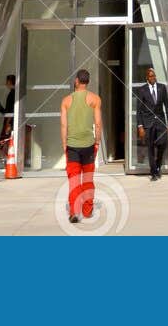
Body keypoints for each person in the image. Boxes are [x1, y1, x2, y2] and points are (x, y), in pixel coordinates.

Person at [60, 69, 102, 223]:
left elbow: (64, 125)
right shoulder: (95, 99)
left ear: (76, 81)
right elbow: (98, 124)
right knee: (88, 180)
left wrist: (64, 144)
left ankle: (74, 212)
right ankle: (88, 210)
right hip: (89, 146)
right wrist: (97, 142)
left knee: (74, 181)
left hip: (72, 146)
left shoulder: (66, 101)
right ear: (88, 82)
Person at [135, 65, 168, 181]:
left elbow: (167, 106)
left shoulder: (162, 88)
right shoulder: (142, 90)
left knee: (162, 144)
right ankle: (154, 172)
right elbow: (139, 110)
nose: (153, 78)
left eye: (154, 76)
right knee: (150, 147)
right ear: (147, 77)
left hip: (160, 122)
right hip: (148, 122)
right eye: (150, 76)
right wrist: (140, 126)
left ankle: (157, 164)